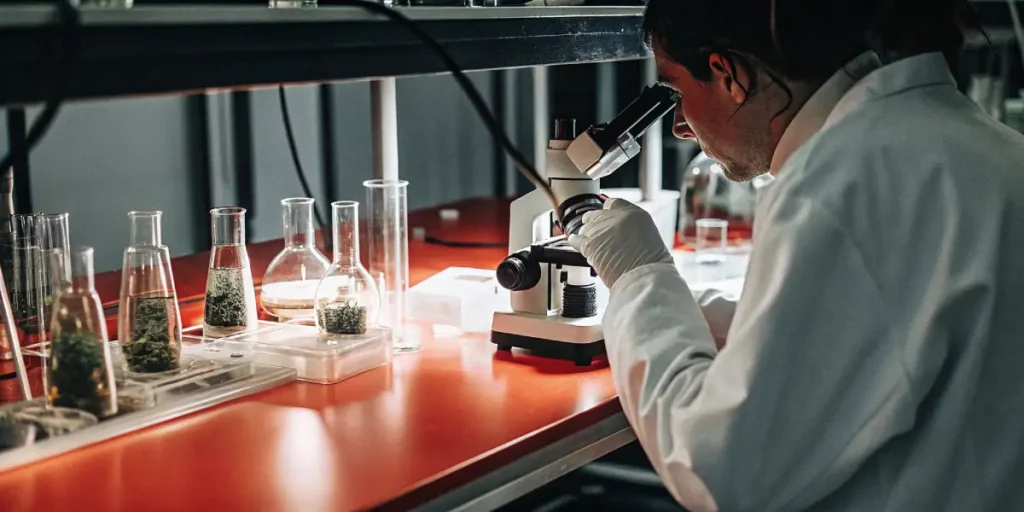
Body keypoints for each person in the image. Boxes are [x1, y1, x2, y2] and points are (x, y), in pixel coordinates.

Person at [567, 0, 1024, 510]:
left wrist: (638, 275)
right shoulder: (976, 143)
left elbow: (722, 472)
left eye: (676, 91)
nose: (679, 125)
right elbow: (875, 325)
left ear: (729, 74)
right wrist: (690, 308)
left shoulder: (841, 182)